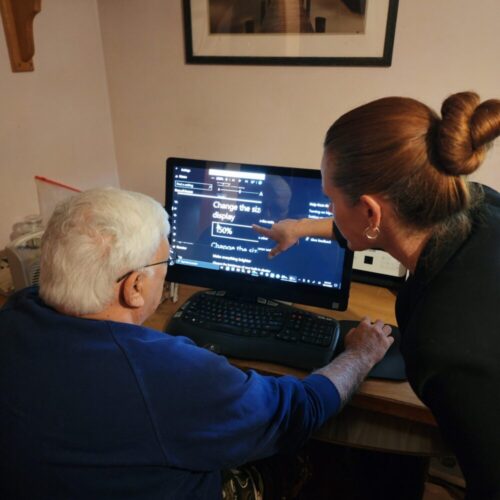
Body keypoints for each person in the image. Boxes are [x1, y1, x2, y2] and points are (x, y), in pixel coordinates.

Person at [0, 187, 393, 500]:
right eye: (163, 264)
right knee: (309, 452)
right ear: (135, 287)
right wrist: (360, 353)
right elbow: (299, 409)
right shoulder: (165, 372)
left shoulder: (15, 313)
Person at [253, 91, 500, 499]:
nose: (330, 210)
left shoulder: (443, 341)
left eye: (330, 200)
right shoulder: (476, 201)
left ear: (370, 211)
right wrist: (299, 226)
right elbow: (366, 224)